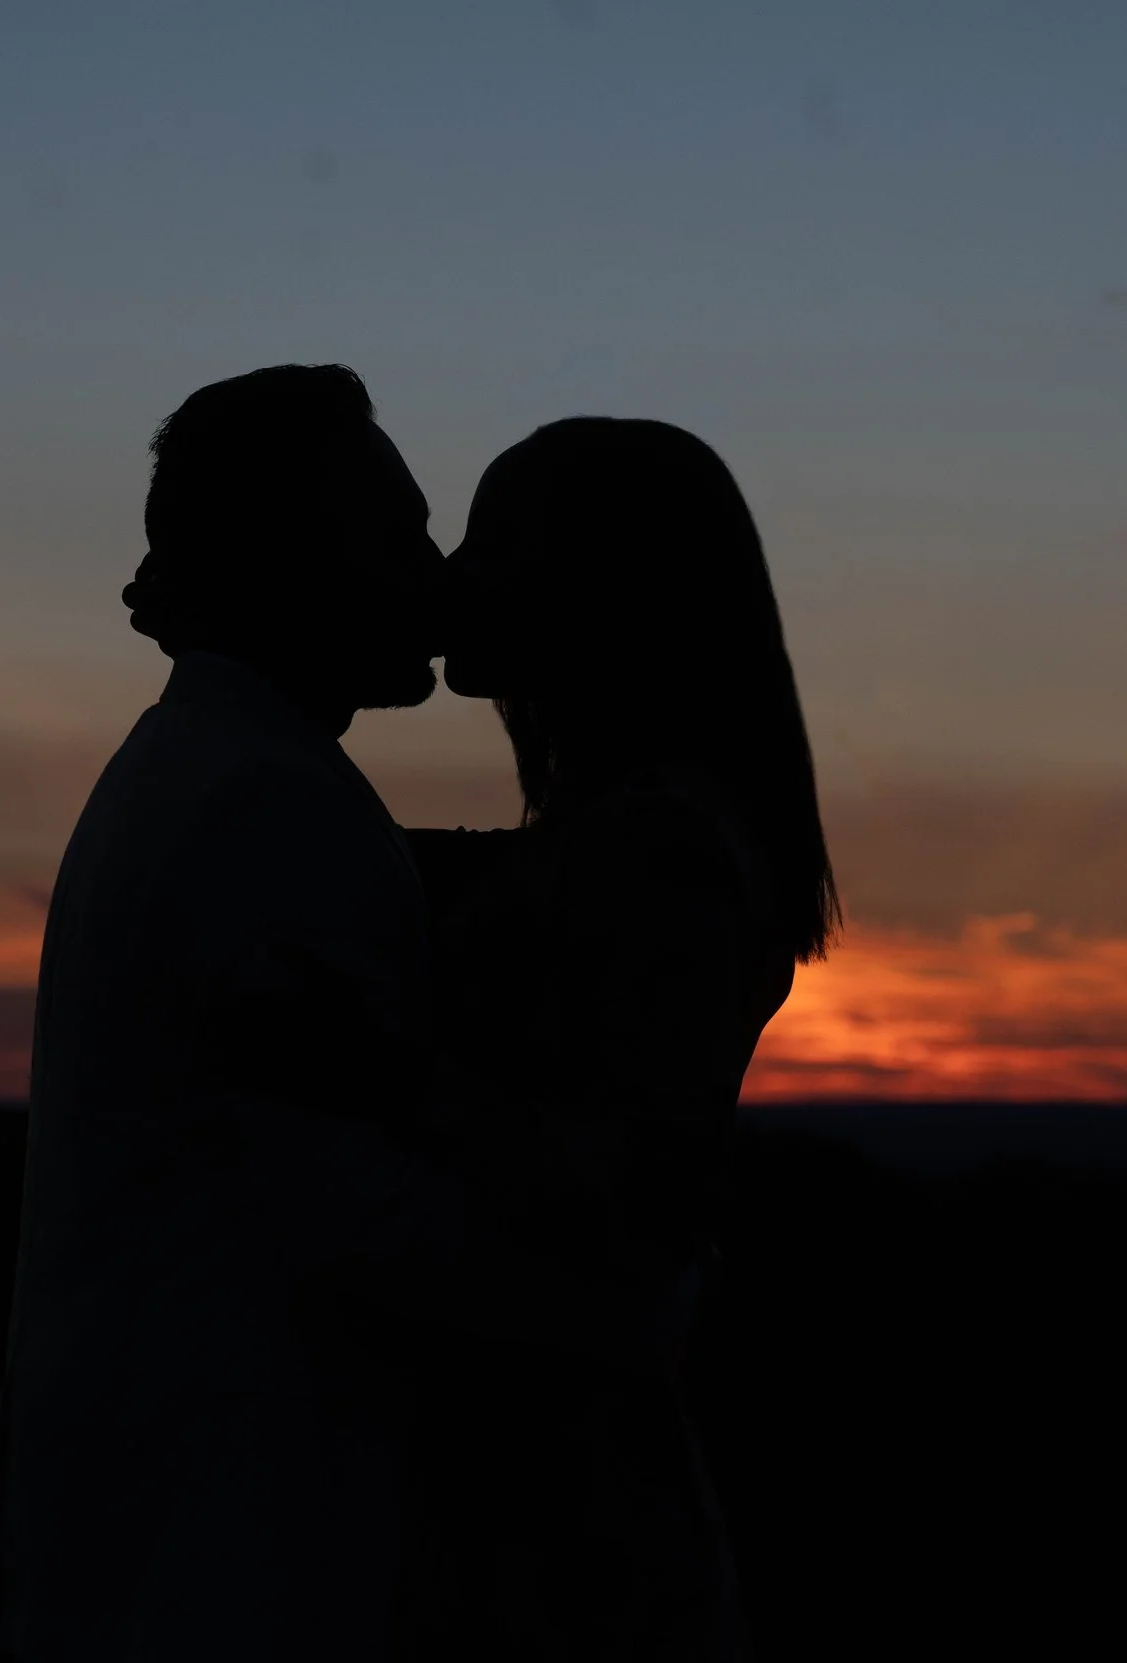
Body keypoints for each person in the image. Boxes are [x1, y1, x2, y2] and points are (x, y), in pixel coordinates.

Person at [0, 365, 462, 1661]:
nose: (436, 572)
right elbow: (371, 1214)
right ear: (298, 557)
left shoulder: (198, 768)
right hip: (220, 1561)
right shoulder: (271, 804)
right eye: (401, 534)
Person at [399, 418, 839, 1661]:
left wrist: (369, 1070)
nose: (450, 571)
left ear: (596, 588)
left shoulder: (658, 855)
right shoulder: (622, 843)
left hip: (559, 1527)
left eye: (489, 543)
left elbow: (627, 1195)